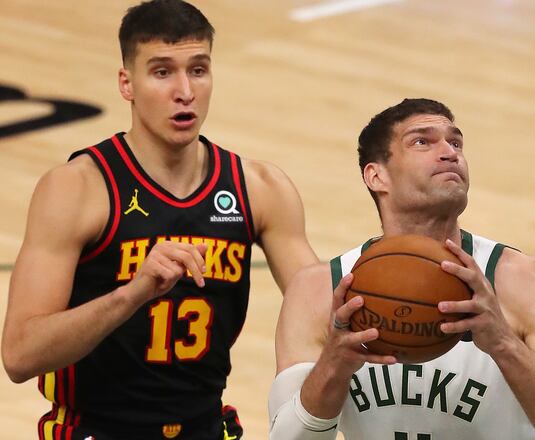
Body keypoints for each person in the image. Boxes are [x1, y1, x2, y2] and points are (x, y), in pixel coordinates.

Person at [1, 1, 317, 438]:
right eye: (162, 71)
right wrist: (132, 294)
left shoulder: (261, 187)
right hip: (97, 430)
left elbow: (321, 310)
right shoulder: (76, 188)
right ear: (126, 83)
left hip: (205, 427)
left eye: (199, 70)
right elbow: (20, 355)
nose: (184, 91)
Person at [268, 98, 535, 439]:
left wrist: (505, 344)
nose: (450, 152)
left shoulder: (529, 281)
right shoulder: (319, 291)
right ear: (376, 175)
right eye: (422, 141)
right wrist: (333, 366)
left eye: (456, 141)